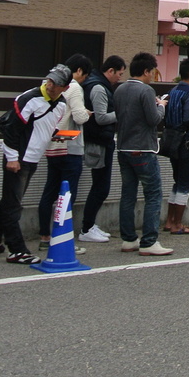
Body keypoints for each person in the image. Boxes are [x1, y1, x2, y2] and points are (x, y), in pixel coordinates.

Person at [0, 64, 71, 264]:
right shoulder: (29, 98)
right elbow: (10, 129)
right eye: (50, 80)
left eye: (56, 83)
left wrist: (58, 135)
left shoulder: (62, 105)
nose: (51, 85)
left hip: (33, 157)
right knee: (13, 204)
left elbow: (47, 127)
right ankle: (17, 249)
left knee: (11, 199)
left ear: (65, 87)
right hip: (19, 158)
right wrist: (12, 157)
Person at [112, 52, 172, 255]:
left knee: (128, 194)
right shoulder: (146, 90)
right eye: (152, 72)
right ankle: (149, 241)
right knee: (153, 194)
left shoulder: (120, 89)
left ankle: (129, 239)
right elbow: (153, 119)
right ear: (146, 71)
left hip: (123, 147)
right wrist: (161, 106)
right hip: (143, 149)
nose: (152, 75)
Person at [36, 54, 92, 253]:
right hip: (70, 146)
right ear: (79, 71)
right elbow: (79, 116)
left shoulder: (48, 85)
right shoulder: (73, 87)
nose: (83, 79)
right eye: (85, 76)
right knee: (67, 195)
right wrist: (87, 113)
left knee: (49, 191)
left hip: (51, 145)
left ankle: (45, 236)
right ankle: (62, 238)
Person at [78, 55, 124, 243]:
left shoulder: (97, 84)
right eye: (119, 74)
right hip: (99, 141)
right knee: (101, 187)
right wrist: (122, 112)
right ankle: (86, 228)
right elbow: (101, 117)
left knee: (100, 185)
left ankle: (89, 225)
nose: (119, 78)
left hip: (100, 139)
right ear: (110, 70)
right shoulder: (98, 87)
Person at [163, 58, 189, 235]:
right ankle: (178, 224)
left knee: (177, 181)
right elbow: (188, 120)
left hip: (171, 141)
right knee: (185, 183)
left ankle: (169, 221)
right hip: (186, 142)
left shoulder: (173, 91)